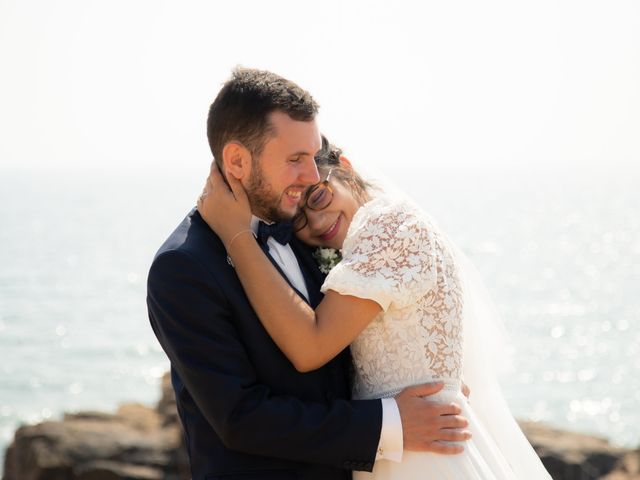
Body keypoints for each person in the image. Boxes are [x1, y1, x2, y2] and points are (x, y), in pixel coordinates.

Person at [147, 68, 472, 480]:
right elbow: (242, 418)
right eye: (295, 160)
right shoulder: (184, 266)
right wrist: (391, 423)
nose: (312, 175)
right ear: (236, 161)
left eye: (313, 155)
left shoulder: (309, 232)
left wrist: (431, 377)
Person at [197, 136, 553, 479]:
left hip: (422, 458)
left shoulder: (389, 227)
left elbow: (310, 348)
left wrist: (236, 235)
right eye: (299, 220)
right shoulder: (354, 250)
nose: (317, 222)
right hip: (394, 448)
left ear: (345, 168)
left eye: (319, 196)